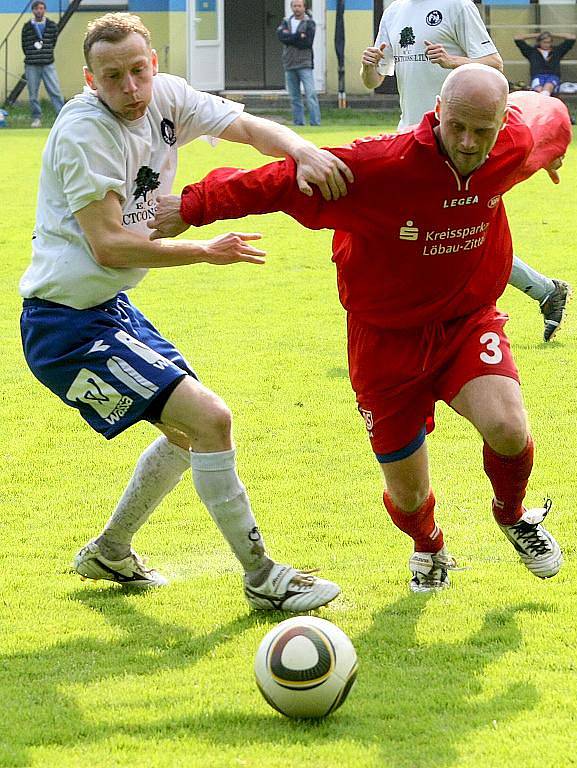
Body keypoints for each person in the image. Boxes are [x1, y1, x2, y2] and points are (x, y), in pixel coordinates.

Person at [151, 65, 570, 593]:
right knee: (409, 494)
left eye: (482, 130)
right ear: (437, 112)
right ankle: (429, 546)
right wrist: (193, 205)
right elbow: (281, 182)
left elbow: (549, 115)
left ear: (500, 123)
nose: (468, 143)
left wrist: (554, 146)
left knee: (509, 428)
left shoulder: (512, 144)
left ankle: (512, 515)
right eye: (457, 126)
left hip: (466, 323)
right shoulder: (381, 166)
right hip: (384, 340)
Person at [19, 12, 354, 610]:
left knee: (188, 434)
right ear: (91, 81)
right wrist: (206, 250)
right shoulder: (82, 133)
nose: (130, 88)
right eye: (112, 76)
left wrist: (302, 149)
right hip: (64, 328)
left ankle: (110, 552)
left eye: (138, 71)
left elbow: (244, 126)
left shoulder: (167, 98)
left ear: (154, 65)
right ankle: (262, 577)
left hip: (105, 309)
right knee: (211, 421)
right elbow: (109, 243)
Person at [360, 0, 571, 342]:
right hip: (408, 140)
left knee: (441, 237)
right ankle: (544, 291)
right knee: (443, 237)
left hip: (456, 142)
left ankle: (432, 321)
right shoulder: (394, 11)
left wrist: (452, 62)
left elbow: (494, 65)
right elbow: (374, 79)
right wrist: (368, 67)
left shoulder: (457, 6)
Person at [277, 0, 321, 126]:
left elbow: (307, 43)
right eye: (295, 6)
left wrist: (290, 38)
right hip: (289, 63)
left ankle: (315, 123)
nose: (297, 8)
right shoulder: (285, 22)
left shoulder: (309, 23)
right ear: (291, 7)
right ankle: (298, 123)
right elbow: (281, 37)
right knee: (294, 97)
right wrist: (298, 36)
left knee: (310, 94)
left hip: (304, 63)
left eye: (299, 6)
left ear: (304, 7)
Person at [21, 0, 64, 128]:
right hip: (31, 65)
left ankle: (61, 117)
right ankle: (36, 118)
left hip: (48, 63)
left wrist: (45, 53)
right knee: (33, 93)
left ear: (44, 10)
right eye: (36, 9)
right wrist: (33, 54)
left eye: (41, 8)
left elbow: (53, 42)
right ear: (33, 11)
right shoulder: (27, 26)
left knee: (55, 91)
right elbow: (24, 45)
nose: (39, 11)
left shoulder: (51, 25)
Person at [515, 31, 576, 96]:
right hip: (537, 75)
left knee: (548, 87)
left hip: (553, 76)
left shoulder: (557, 51)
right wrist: (539, 35)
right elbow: (518, 38)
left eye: (549, 42)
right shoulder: (531, 52)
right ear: (539, 42)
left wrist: (551, 34)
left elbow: (572, 37)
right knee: (538, 90)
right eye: (544, 42)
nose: (547, 44)